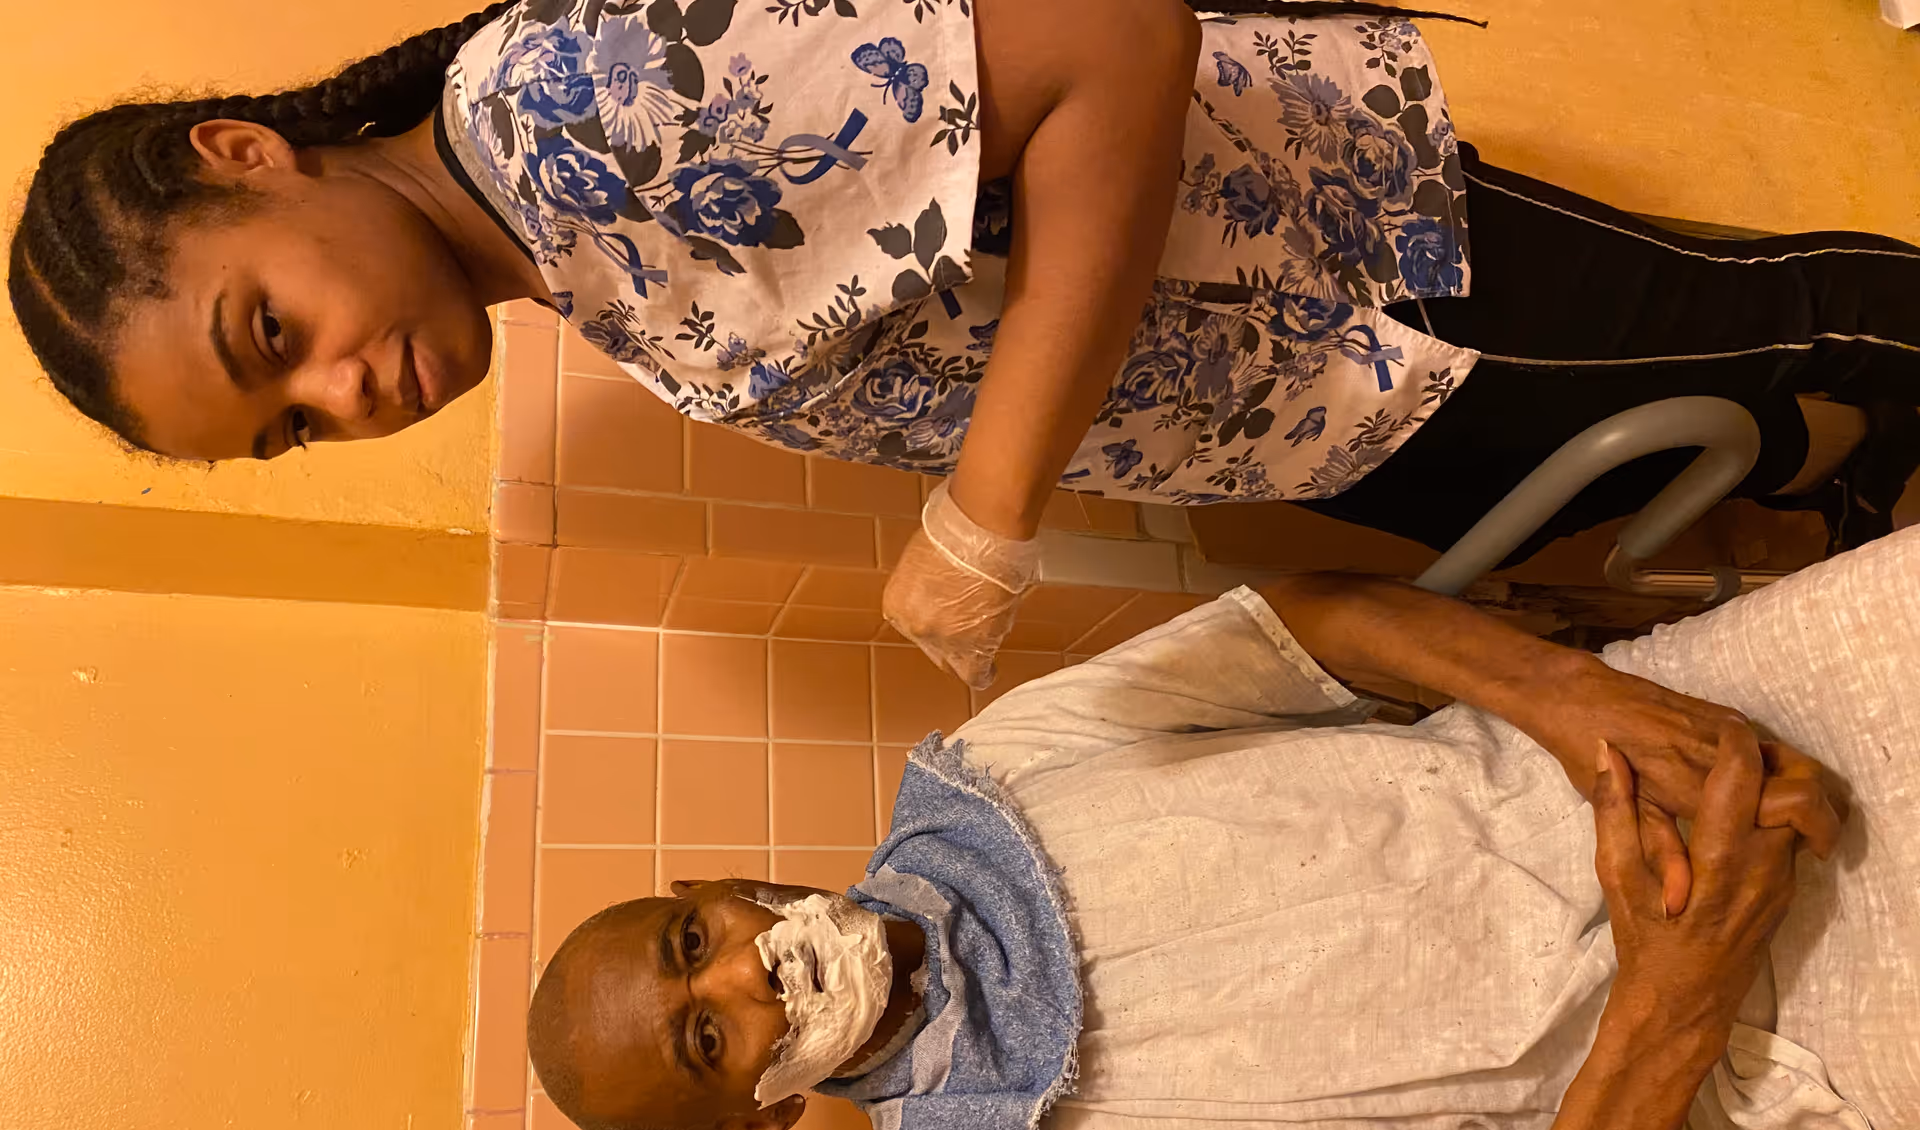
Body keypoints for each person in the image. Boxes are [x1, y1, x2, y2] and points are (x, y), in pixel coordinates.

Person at [11, 0, 1919, 686]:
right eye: (288, 429)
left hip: (1347, 270)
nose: (344, 395)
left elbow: (1113, 38)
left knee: (1772, 334)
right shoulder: (550, 251)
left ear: (249, 155)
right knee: (1724, 426)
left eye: (276, 331)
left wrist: (986, 514)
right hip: (1305, 410)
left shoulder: (578, 105)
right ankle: (1878, 475)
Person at [524, 524, 1920, 1130]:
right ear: (761, 1119)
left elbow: (1304, 624)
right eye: (709, 1042)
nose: (753, 978)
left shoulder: (991, 770)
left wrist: (1587, 702)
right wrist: (1674, 1002)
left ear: (713, 885)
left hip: (1664, 742)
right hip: (1759, 1053)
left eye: (689, 945)